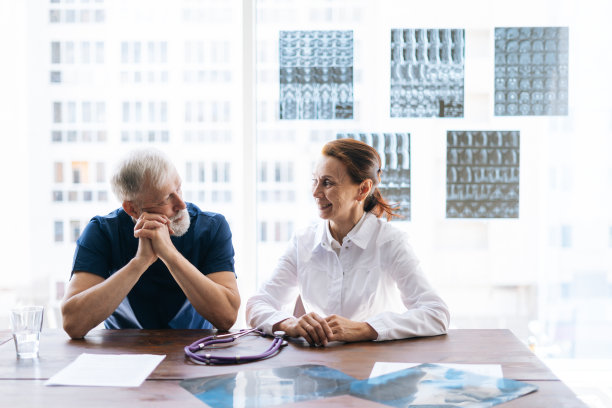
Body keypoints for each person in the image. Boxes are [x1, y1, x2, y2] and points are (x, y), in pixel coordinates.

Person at [246, 138, 449, 346]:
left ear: (362, 189)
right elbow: (257, 304)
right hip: (319, 367)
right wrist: (288, 323)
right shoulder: (303, 241)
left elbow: (436, 314)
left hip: (374, 368)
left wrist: (365, 328)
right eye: (315, 180)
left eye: (327, 183)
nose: (316, 193)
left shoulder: (390, 242)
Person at [61, 149, 240, 339]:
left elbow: (227, 317)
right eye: (166, 199)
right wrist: (140, 262)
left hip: (196, 353)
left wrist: (170, 255)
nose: (181, 205)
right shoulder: (103, 232)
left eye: (178, 189)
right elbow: (73, 324)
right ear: (132, 208)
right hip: (122, 356)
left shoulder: (211, 227)